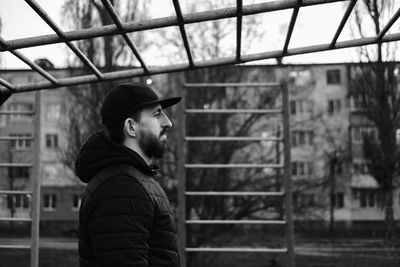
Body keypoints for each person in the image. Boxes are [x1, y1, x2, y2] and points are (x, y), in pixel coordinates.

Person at [75, 82, 181, 267]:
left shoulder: (133, 179)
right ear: (131, 127)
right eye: (157, 114)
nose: (168, 122)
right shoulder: (120, 187)